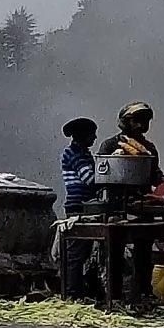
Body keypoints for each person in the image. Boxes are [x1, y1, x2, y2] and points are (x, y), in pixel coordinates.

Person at [95, 102, 164, 306]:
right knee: (114, 251)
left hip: (142, 204)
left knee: (144, 251)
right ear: (125, 122)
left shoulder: (149, 148)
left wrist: (163, 180)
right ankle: (114, 294)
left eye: (145, 121)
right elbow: (102, 175)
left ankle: (142, 292)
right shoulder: (110, 145)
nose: (142, 124)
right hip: (116, 204)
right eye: (137, 120)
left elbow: (154, 174)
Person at [58, 117, 99, 299]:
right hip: (77, 208)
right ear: (84, 136)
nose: (95, 138)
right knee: (76, 254)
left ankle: (78, 291)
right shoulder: (72, 154)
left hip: (87, 207)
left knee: (84, 253)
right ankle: (71, 293)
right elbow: (89, 179)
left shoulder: (85, 153)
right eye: (92, 134)